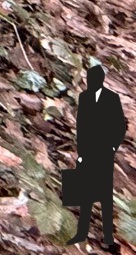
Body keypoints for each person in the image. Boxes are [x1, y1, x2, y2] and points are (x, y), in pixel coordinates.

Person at [72, 64, 126, 248]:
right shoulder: (84, 97)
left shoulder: (111, 99)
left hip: (103, 151)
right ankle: (82, 232)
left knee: (104, 194)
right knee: (86, 192)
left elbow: (120, 125)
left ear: (102, 80)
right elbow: (81, 127)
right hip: (88, 150)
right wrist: (81, 152)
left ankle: (108, 235)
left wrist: (112, 147)